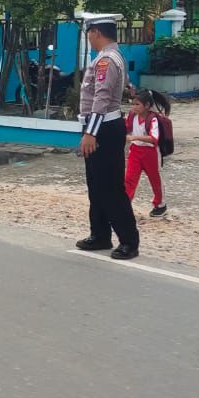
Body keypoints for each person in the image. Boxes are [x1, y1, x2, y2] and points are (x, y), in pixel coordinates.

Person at [75, 16, 139, 260]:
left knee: (110, 187)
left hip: (104, 128)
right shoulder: (111, 56)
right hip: (101, 126)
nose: (88, 37)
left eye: (89, 32)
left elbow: (101, 98)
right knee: (96, 185)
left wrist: (91, 132)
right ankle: (100, 234)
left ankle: (129, 241)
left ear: (97, 32)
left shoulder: (106, 60)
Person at [125, 88, 171, 218]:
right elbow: (127, 127)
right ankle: (125, 204)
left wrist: (134, 137)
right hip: (135, 151)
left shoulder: (153, 119)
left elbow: (153, 138)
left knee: (155, 179)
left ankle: (160, 205)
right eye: (133, 104)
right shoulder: (132, 115)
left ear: (147, 106)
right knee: (129, 179)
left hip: (150, 153)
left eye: (137, 104)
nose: (134, 107)